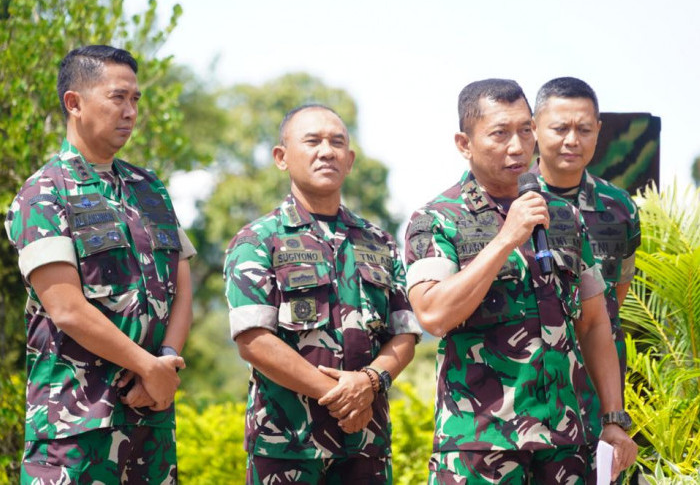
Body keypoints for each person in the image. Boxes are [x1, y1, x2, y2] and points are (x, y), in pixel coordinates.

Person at [403, 79, 637, 484]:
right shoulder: (435, 219)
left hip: (567, 442)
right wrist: (507, 238)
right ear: (464, 143)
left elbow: (596, 323)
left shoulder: (563, 216)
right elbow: (433, 314)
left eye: (525, 129)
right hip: (481, 444)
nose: (517, 146)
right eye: (499, 133)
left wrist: (613, 418)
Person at [5, 45, 195, 483]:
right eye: (117, 97)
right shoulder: (43, 194)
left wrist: (165, 361)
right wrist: (147, 366)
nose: (130, 111)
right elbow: (66, 308)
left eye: (136, 100)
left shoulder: (150, 189)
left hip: (151, 420)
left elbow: (182, 285)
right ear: (74, 103)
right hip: (74, 430)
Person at [224, 104, 421, 484]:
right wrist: (341, 394)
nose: (326, 151)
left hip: (367, 445)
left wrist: (369, 382)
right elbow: (253, 340)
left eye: (337, 143)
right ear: (281, 158)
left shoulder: (378, 241)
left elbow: (406, 333)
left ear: (349, 160)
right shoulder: (258, 240)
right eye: (312, 141)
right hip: (288, 447)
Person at [532, 76, 641, 479]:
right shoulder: (512, 202)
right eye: (560, 128)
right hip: (529, 385)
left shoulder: (620, 208)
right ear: (535, 129)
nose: (571, 140)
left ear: (599, 131)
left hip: (600, 392)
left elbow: (617, 296)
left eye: (583, 128)